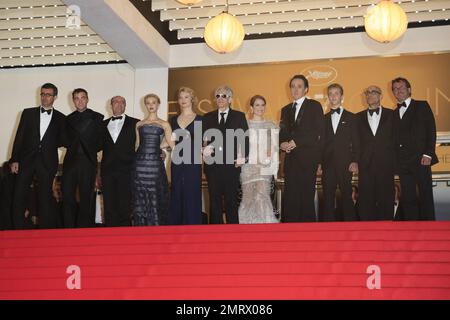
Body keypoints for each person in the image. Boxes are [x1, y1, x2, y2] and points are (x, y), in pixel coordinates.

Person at [9, 83, 66, 229]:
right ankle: (18, 228)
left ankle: (46, 230)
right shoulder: (27, 113)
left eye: (48, 95)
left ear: (55, 97)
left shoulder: (61, 118)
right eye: (42, 94)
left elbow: (62, 140)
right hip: (26, 160)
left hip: (47, 162)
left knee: (45, 196)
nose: (44, 97)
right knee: (19, 194)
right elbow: (19, 137)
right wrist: (14, 159)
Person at [279, 75, 324, 222]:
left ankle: (308, 234)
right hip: (291, 160)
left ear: (306, 89)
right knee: (291, 197)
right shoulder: (285, 110)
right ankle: (290, 233)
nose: (295, 89)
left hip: (308, 159)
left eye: (299, 86)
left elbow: (318, 132)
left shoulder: (314, 105)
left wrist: (296, 141)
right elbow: (282, 133)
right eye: (293, 86)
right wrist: (282, 144)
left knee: (306, 197)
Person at [392, 77, 438, 221]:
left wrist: (428, 154)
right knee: (408, 197)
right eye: (395, 89)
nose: (398, 91)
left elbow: (431, 130)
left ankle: (430, 228)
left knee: (425, 194)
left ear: (409, 90)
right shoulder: (394, 113)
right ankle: (412, 229)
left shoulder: (422, 105)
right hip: (403, 162)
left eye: (401, 88)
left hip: (421, 159)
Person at [203, 85, 249, 224]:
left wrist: (243, 158)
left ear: (230, 99)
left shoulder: (239, 116)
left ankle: (233, 232)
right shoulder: (207, 117)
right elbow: (204, 139)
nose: (220, 99)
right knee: (214, 200)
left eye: (224, 96)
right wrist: (204, 151)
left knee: (231, 200)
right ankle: (214, 233)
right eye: (218, 96)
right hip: (213, 165)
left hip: (232, 165)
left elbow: (245, 139)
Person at [62, 88, 104, 228]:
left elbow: (100, 141)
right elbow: (65, 139)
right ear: (73, 101)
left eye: (82, 97)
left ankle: (84, 229)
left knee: (87, 198)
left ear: (87, 99)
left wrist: (91, 150)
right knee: (67, 196)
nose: (80, 101)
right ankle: (69, 228)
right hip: (70, 162)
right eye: (77, 98)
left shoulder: (98, 117)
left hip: (88, 162)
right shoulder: (67, 120)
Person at [132, 93, 174, 226]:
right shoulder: (139, 124)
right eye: (148, 103)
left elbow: (171, 143)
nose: (151, 105)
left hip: (155, 164)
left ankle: (155, 228)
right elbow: (137, 145)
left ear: (158, 104)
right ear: (145, 105)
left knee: (155, 193)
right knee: (141, 194)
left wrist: (159, 147)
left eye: (153, 102)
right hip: (140, 164)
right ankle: (141, 227)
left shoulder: (164, 124)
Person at [319, 83, 359, 221]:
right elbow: (320, 144)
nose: (333, 96)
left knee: (347, 195)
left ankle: (351, 227)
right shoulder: (322, 119)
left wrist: (354, 160)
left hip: (346, 163)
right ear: (328, 97)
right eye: (331, 93)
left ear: (342, 96)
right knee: (328, 197)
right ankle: (327, 230)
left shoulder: (352, 118)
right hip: (327, 164)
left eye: (336, 93)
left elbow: (356, 142)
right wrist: (319, 163)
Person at [356, 85, 395, 221]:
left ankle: (388, 229)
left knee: (386, 198)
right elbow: (355, 143)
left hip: (386, 163)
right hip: (365, 164)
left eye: (374, 92)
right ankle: (367, 232)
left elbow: (396, 139)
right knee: (366, 199)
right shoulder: (357, 117)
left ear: (381, 95)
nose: (370, 95)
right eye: (368, 92)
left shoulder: (392, 115)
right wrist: (356, 160)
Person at [238, 95, 279, 224]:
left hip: (264, 166)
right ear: (251, 108)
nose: (260, 108)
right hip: (248, 167)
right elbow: (240, 146)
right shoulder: (245, 125)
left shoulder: (271, 124)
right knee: (248, 198)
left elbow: (275, 146)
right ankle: (246, 227)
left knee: (261, 196)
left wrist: (270, 155)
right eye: (257, 105)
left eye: (262, 105)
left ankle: (265, 227)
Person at [99, 96, 139, 227]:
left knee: (125, 205)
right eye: (116, 102)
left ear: (125, 106)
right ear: (111, 105)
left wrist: (158, 152)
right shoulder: (102, 124)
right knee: (109, 204)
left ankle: (125, 235)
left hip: (127, 170)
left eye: (122, 102)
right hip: (107, 170)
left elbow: (142, 144)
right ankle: (109, 234)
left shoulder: (135, 123)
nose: (119, 104)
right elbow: (96, 146)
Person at [169, 87, 203, 225]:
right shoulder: (172, 120)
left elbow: (205, 141)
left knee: (192, 192)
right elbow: (169, 140)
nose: (183, 100)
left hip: (193, 160)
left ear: (192, 99)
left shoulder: (200, 119)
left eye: (186, 97)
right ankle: (176, 228)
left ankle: (193, 227)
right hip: (177, 160)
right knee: (176, 191)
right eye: (180, 97)